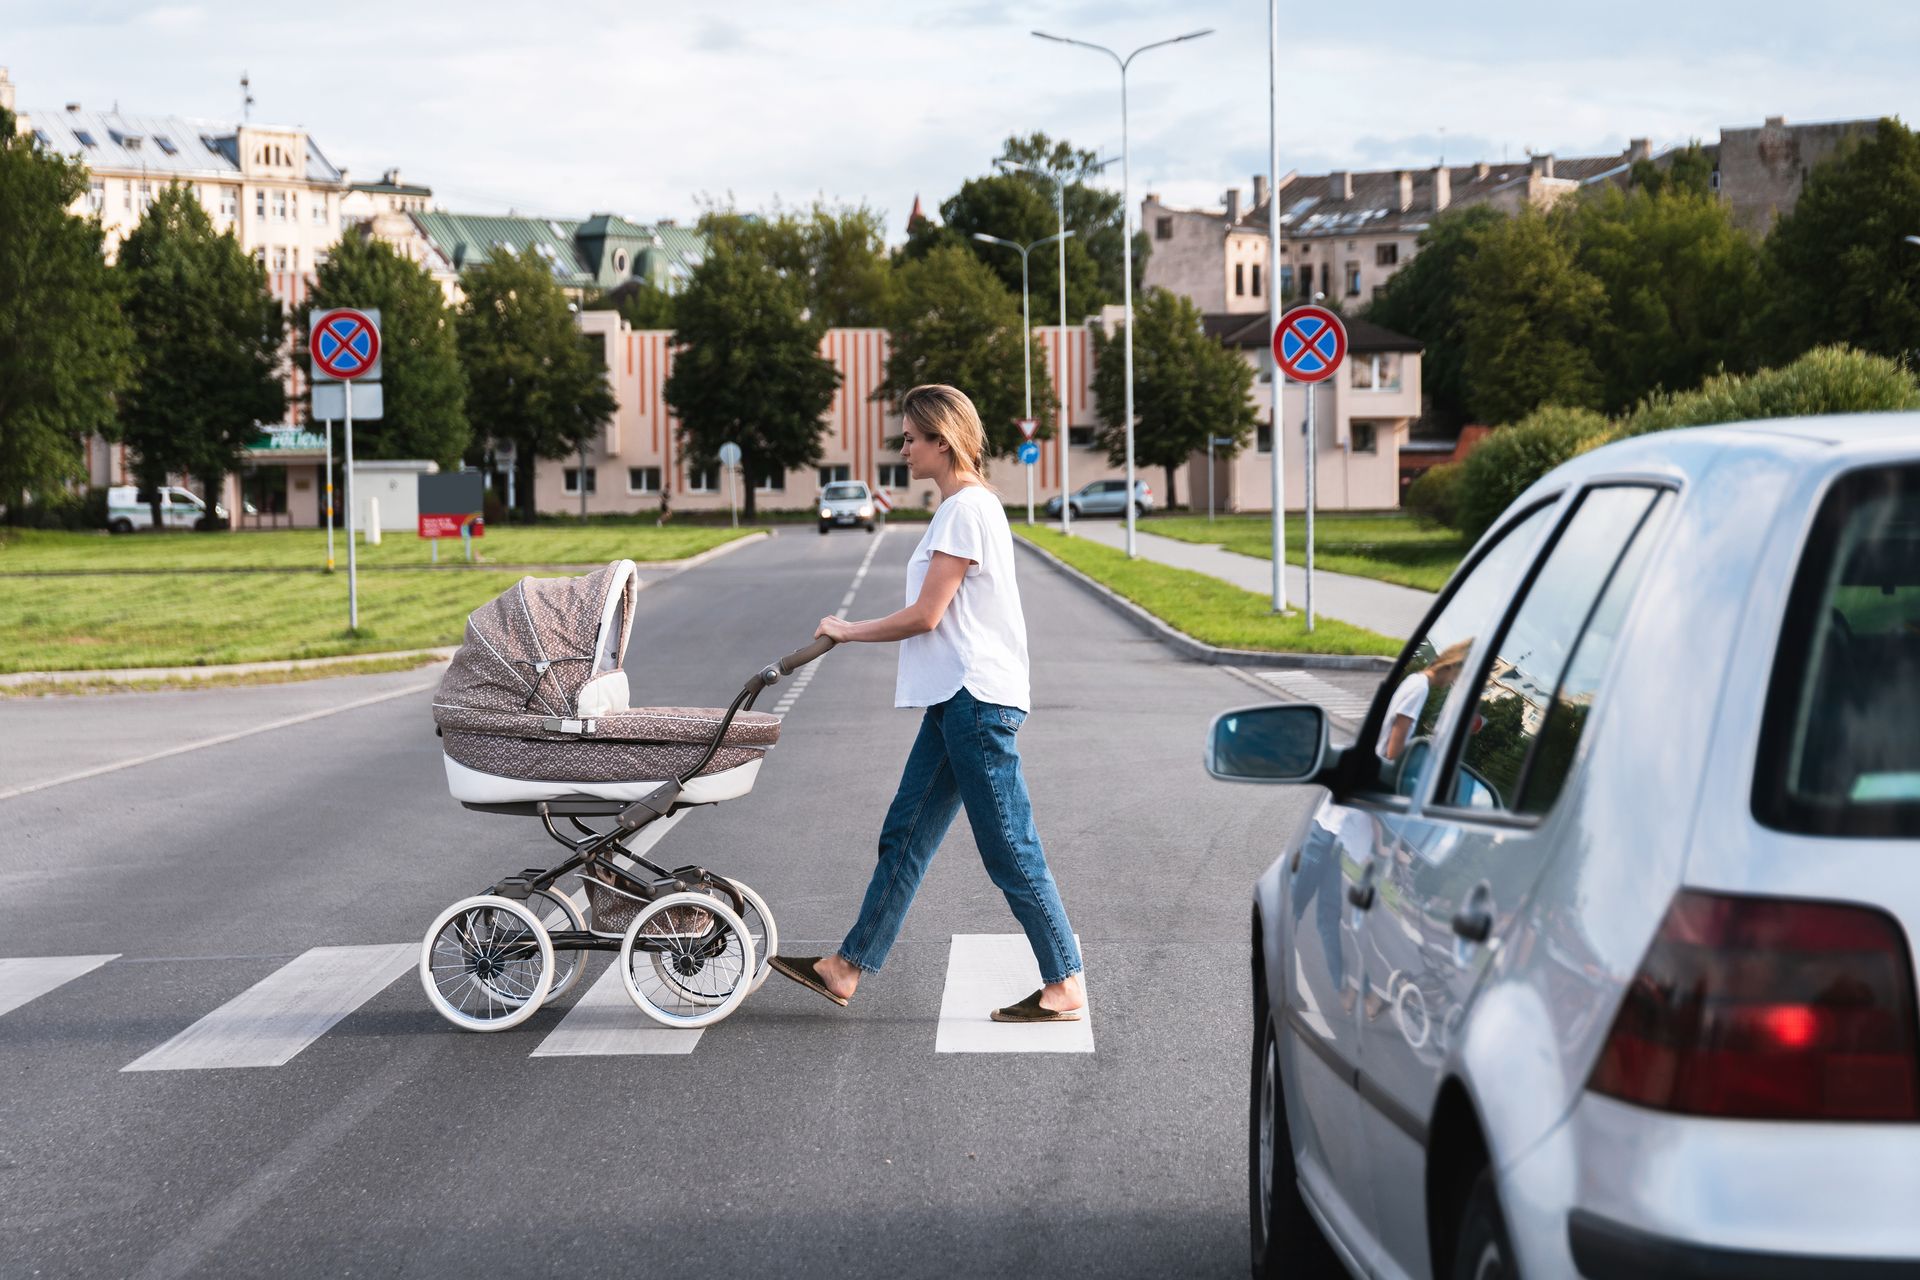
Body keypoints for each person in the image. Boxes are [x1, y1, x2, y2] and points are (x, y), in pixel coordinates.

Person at [769, 384, 1086, 1023]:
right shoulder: (964, 508)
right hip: (954, 701)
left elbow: (927, 615)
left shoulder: (966, 510)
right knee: (906, 833)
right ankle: (846, 967)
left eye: (912, 438)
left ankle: (1064, 982)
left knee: (1008, 845)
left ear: (943, 440)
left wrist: (847, 631)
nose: (904, 448)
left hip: (976, 701)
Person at [1376, 638, 1473, 764]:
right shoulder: (1421, 688)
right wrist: (1396, 768)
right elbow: (1396, 740)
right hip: (1383, 764)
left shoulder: (1415, 679)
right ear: (1451, 665)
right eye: (1456, 675)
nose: (1454, 680)